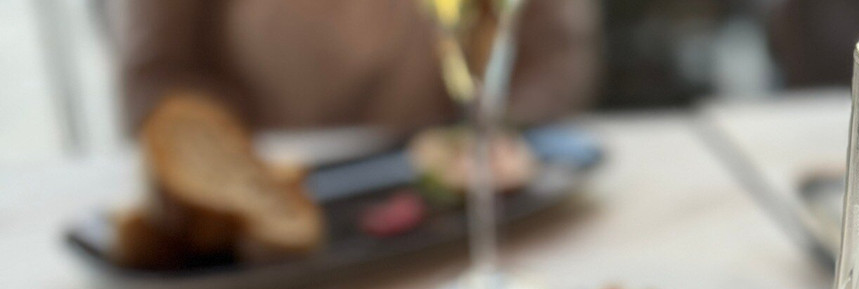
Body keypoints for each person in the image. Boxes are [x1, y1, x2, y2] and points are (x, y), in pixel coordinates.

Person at [103, 0, 599, 133]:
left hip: (440, 230)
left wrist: (495, 147)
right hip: (254, 271)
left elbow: (554, 53)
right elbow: (152, 76)